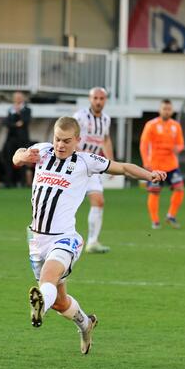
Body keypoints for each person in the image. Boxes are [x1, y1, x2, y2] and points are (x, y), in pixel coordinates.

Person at [12, 116, 165, 354]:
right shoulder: (42, 151)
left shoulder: (86, 161)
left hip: (64, 238)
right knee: (61, 302)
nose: (60, 145)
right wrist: (21, 156)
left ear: (77, 140)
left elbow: (123, 167)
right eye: (57, 139)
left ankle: (40, 306)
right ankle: (85, 323)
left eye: (66, 140)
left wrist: (149, 174)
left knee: (48, 277)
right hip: (36, 239)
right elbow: (17, 154)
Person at [73, 87, 114, 254]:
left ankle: (92, 242)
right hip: (75, 164)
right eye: (95, 98)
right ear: (90, 99)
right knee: (66, 203)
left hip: (93, 166)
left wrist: (111, 164)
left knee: (99, 201)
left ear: (105, 100)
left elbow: (106, 140)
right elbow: (69, 135)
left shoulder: (106, 119)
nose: (98, 101)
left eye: (101, 98)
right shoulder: (80, 116)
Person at [140, 99, 185, 229]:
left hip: (172, 165)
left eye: (169, 109)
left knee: (179, 188)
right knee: (154, 192)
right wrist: (146, 162)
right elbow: (144, 144)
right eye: (164, 108)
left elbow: (180, 143)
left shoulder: (176, 126)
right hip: (155, 166)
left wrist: (179, 148)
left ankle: (171, 215)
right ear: (160, 110)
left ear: (172, 111)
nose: (166, 111)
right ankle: (155, 221)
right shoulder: (151, 125)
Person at [3, 91, 32, 187]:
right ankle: (9, 182)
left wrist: (19, 113)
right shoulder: (10, 110)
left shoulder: (27, 110)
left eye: (20, 97)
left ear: (23, 98)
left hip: (22, 140)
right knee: (9, 160)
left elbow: (25, 122)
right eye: (16, 97)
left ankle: (23, 182)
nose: (18, 99)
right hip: (11, 139)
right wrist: (16, 124)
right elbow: (6, 123)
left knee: (23, 160)